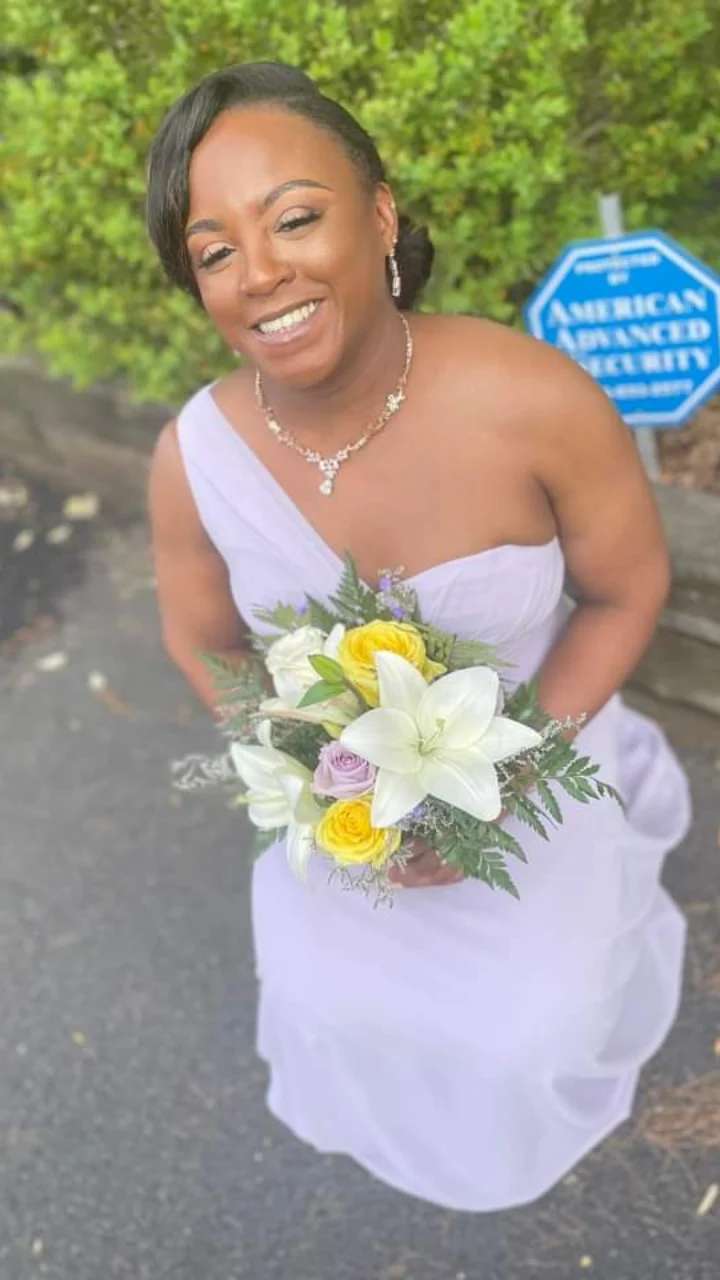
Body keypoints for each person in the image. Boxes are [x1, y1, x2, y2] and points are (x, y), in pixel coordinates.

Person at [145, 61, 692, 1212]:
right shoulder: (192, 457)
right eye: (215, 250)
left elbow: (626, 588)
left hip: (541, 742)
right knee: (321, 999)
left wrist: (515, 771)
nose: (261, 272)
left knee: (535, 1027)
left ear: (381, 216)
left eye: (296, 218)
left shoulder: (535, 399)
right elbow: (202, 639)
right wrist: (314, 772)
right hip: (350, 805)